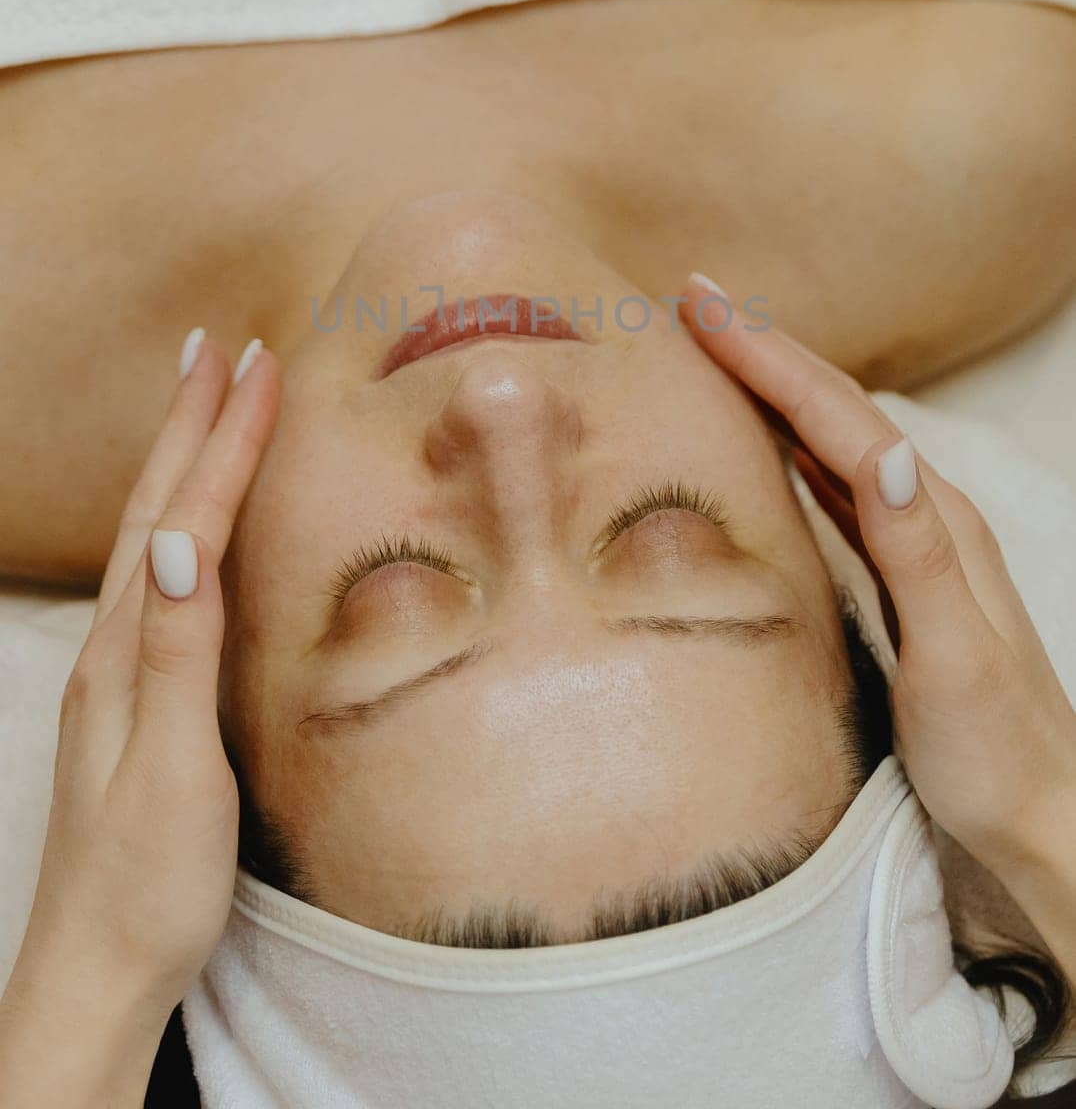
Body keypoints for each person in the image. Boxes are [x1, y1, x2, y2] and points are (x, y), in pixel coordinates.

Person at [0, 212, 1073, 1105]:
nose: (499, 399)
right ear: (857, 574)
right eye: (669, 535)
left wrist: (92, 982)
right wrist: (1041, 803)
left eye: (389, 597)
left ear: (205, 698)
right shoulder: (969, 141)